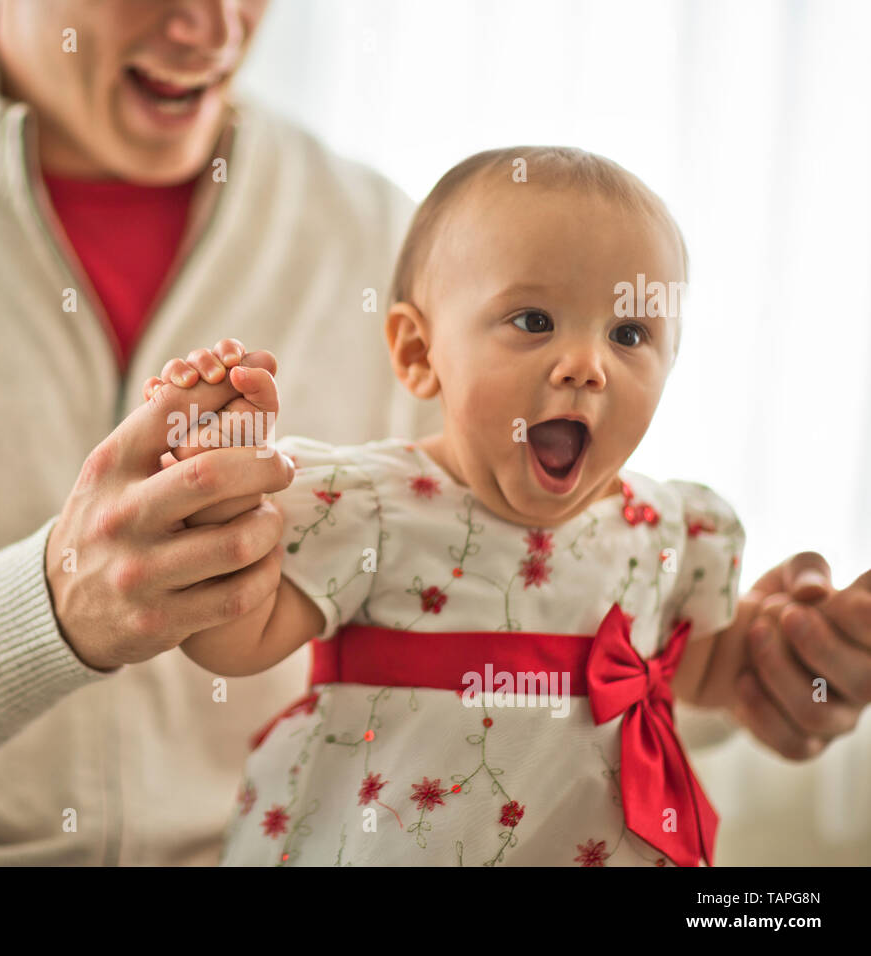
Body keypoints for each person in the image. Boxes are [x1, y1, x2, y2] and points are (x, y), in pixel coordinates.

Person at [0, 0, 867, 866]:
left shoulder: (391, 236)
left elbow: (519, 621)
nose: (213, 25)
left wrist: (738, 673)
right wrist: (50, 611)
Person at [143, 147, 871, 867]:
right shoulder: (369, 504)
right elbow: (232, 643)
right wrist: (213, 495)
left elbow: (708, 673)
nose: (586, 365)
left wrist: (806, 638)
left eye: (629, 334)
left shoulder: (674, 534)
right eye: (532, 321)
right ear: (419, 352)